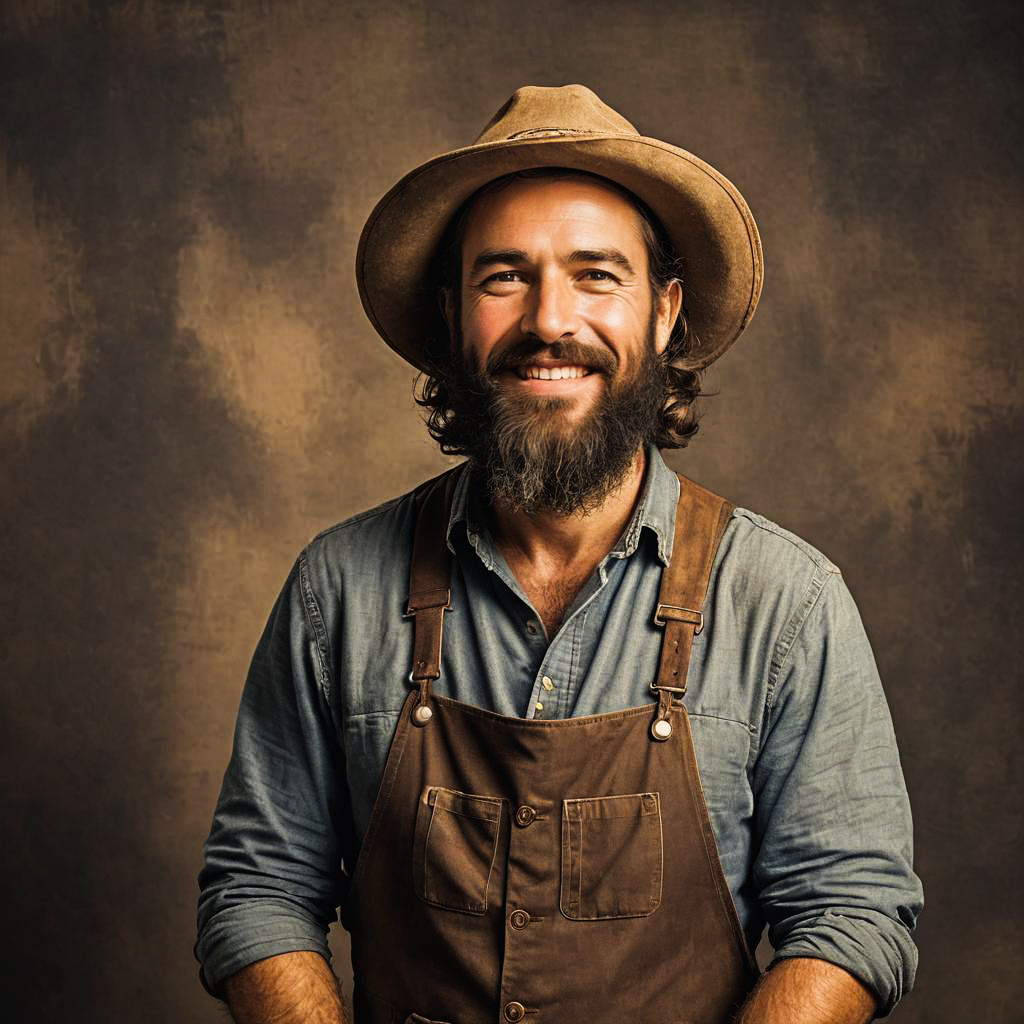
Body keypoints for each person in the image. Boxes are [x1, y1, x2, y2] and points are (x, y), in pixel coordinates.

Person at [196, 85, 922, 1024]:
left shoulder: (787, 603)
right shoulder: (336, 590)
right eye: (505, 276)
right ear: (456, 312)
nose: (550, 320)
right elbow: (256, 888)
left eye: (595, 275)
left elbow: (853, 914)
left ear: (663, 313)